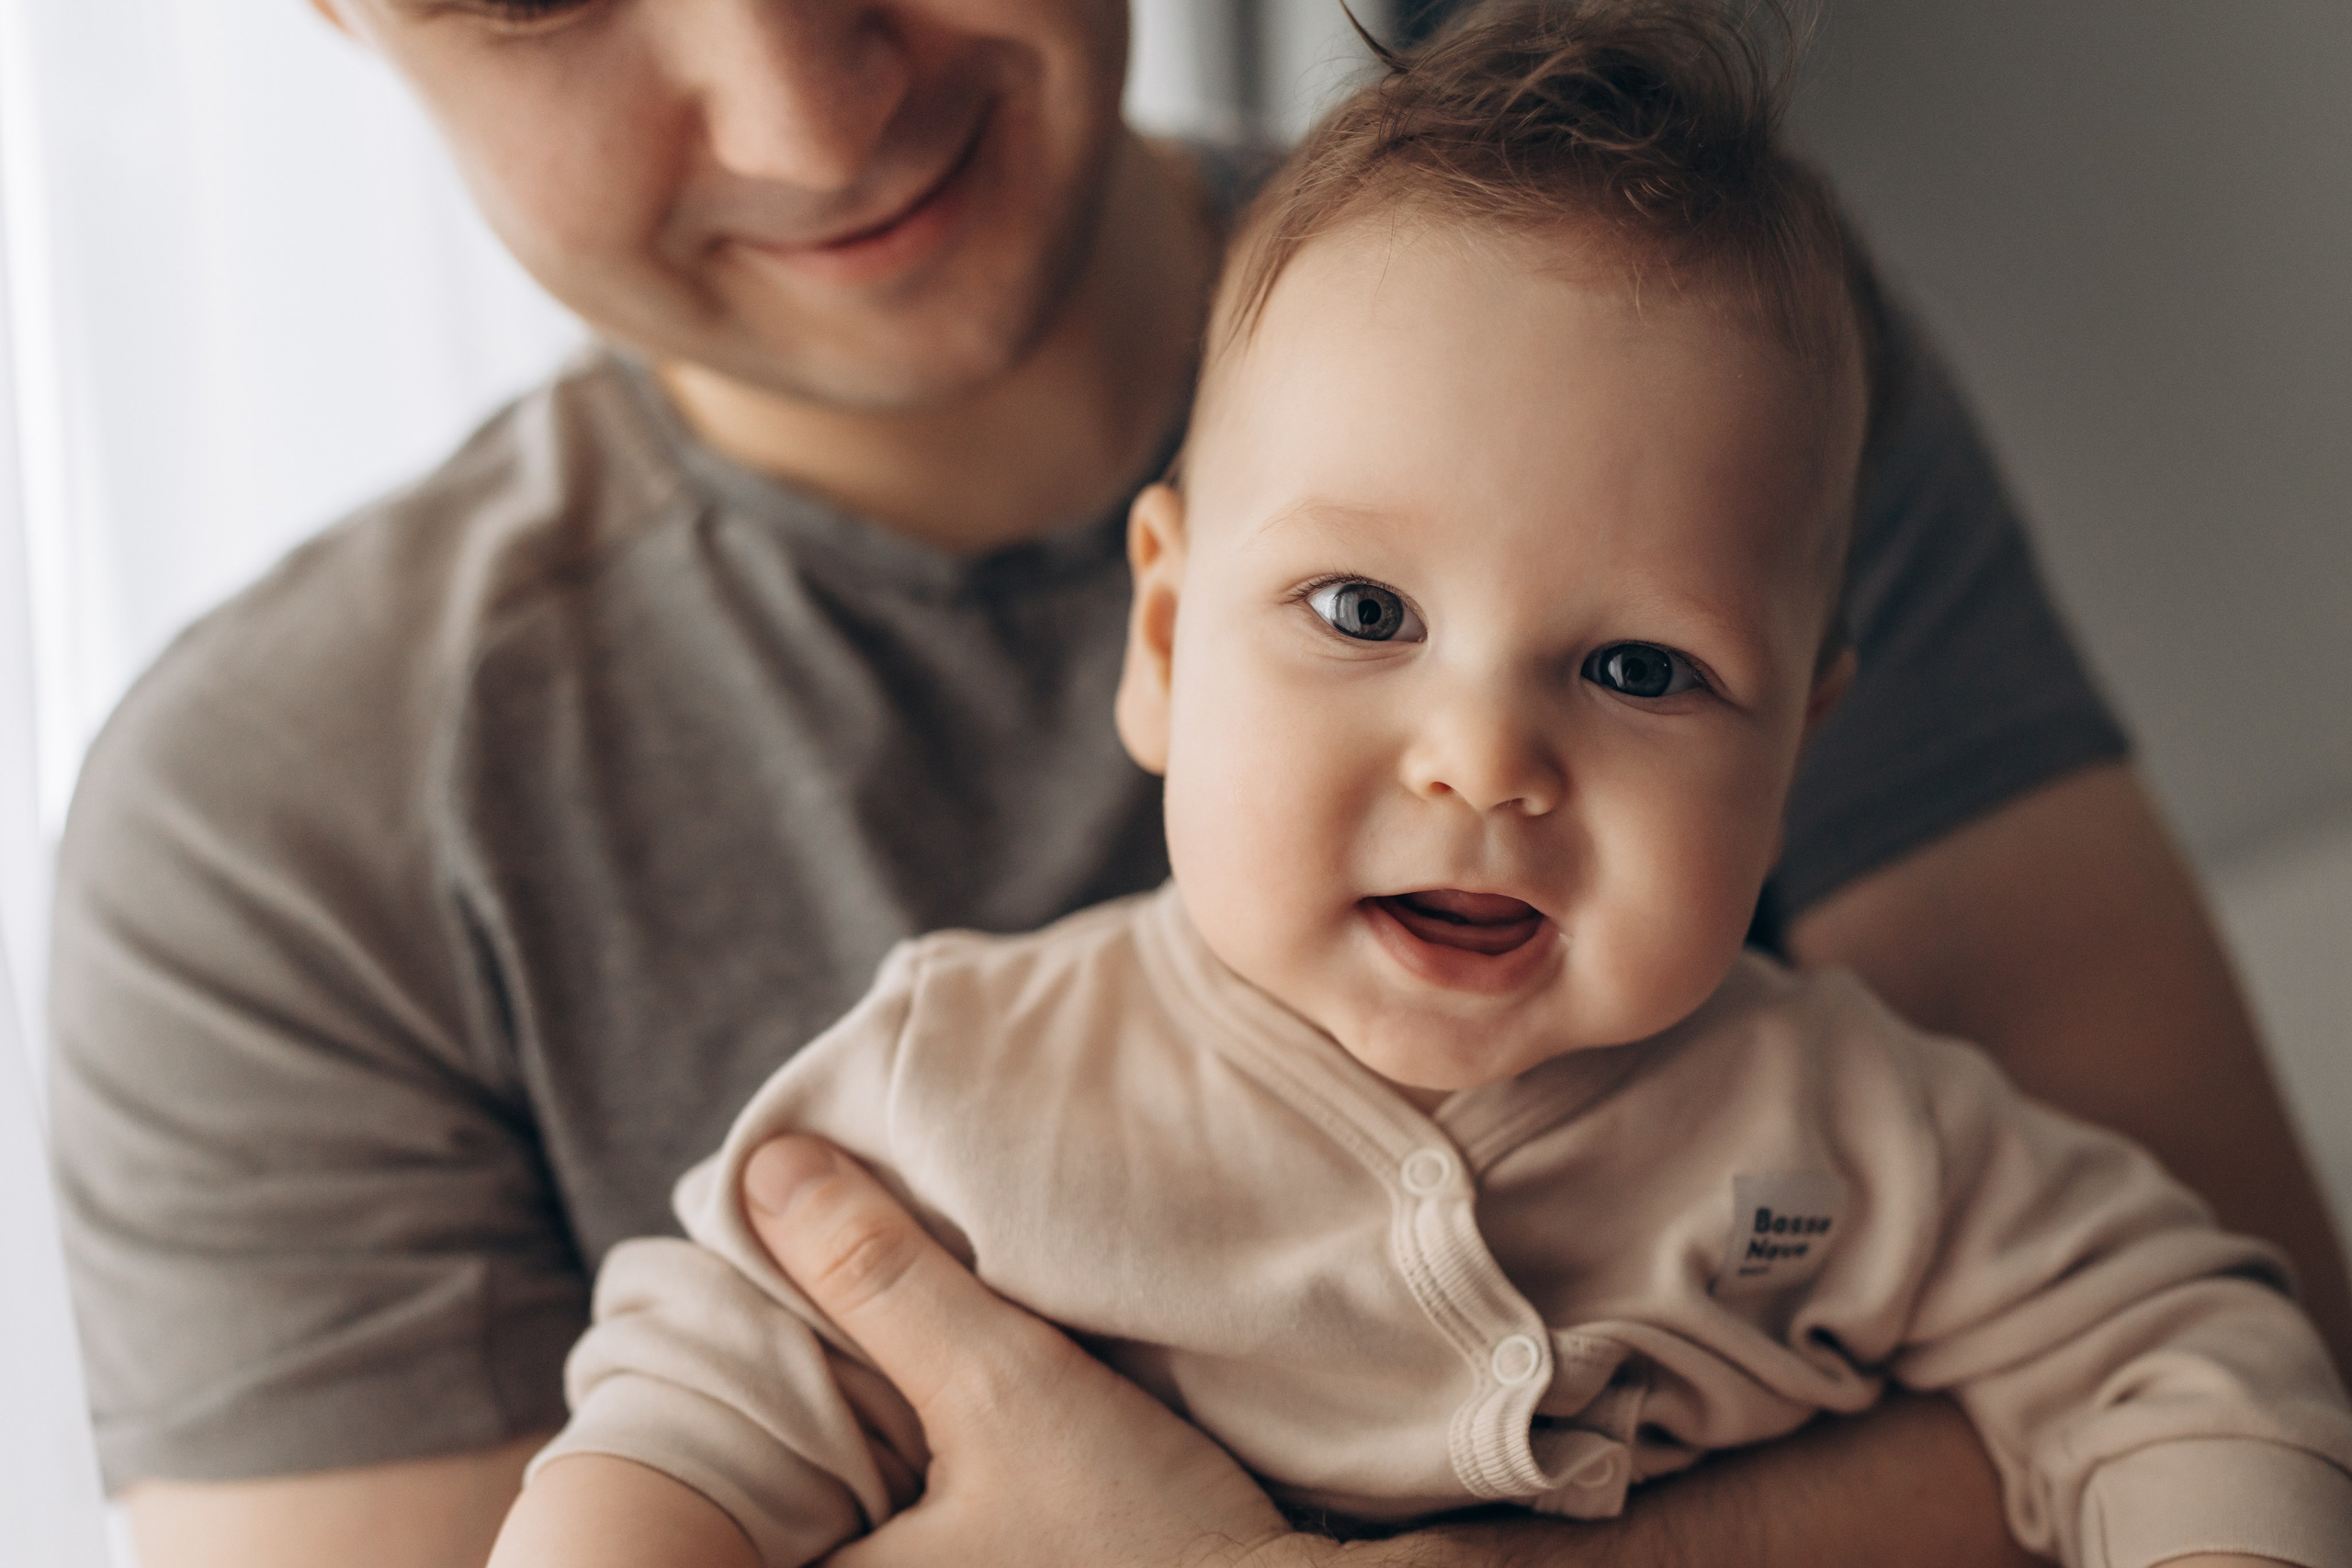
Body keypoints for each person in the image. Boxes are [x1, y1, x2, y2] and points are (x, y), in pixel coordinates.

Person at [42, 0, 2348, 1565]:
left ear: (1791, 738)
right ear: (1161, 628)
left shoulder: (1708, 374)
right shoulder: (954, 1081)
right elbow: (691, 1412)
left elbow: (2221, 1350)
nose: (806, 108)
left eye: (1639, 668)